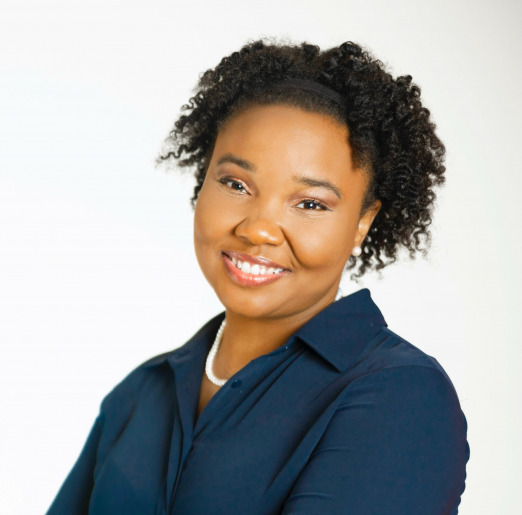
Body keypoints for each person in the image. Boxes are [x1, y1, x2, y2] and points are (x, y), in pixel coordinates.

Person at [47, 40, 470, 514]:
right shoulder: (141, 393)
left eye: (310, 203)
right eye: (236, 184)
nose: (258, 229)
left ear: (362, 222)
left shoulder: (399, 396)